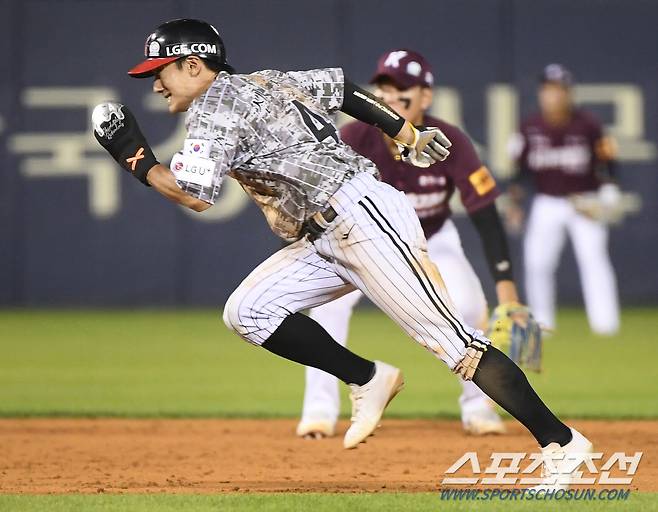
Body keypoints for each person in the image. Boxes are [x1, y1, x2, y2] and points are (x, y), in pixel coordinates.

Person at [93, 18, 592, 490]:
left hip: (360, 218)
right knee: (248, 311)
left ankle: (564, 444)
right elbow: (344, 87)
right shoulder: (268, 80)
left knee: (457, 346)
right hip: (324, 233)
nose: (155, 85)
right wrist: (407, 132)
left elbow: (192, 194)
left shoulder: (214, 106)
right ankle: (367, 378)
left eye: (159, 71)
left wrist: (129, 152)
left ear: (193, 65)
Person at [297, 49, 519, 439]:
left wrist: (506, 287)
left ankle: (478, 408)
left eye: (404, 89)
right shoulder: (354, 137)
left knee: (467, 305)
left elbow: (485, 213)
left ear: (426, 97)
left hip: (430, 239)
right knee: (327, 308)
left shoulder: (451, 142)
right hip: (358, 244)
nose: (392, 96)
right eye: (385, 87)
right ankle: (319, 409)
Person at [508, 64, 620, 335]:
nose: (554, 96)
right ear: (541, 93)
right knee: (537, 263)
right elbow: (519, 172)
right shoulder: (530, 127)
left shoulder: (588, 125)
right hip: (547, 202)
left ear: (569, 93)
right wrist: (514, 204)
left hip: (584, 201)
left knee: (594, 260)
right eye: (549, 90)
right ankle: (543, 323)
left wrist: (608, 192)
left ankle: (605, 325)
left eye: (559, 90)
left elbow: (608, 161)